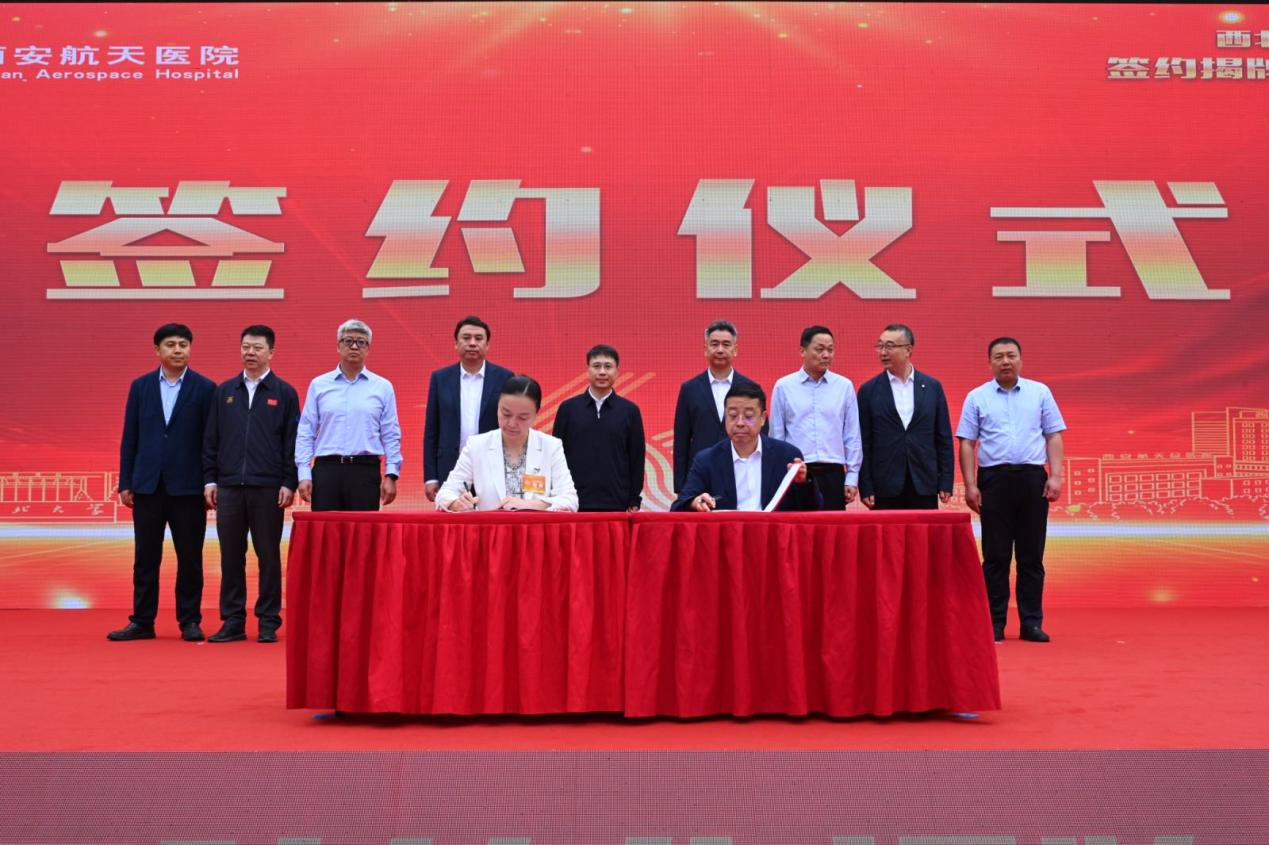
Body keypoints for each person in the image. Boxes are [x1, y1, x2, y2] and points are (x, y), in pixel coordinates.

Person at [107, 323, 216, 642]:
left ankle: (190, 620)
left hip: (189, 488)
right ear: (157, 350)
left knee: (190, 558)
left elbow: (211, 441)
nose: (177, 350)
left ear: (190, 349)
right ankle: (142, 621)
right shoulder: (140, 387)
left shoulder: (206, 388)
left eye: (183, 344)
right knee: (145, 558)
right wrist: (126, 480)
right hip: (147, 486)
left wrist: (210, 481)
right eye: (170, 344)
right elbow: (130, 437)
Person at [957, 337, 1066, 643]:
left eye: (1011, 356)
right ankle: (993, 622)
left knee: (1031, 556)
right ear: (989, 362)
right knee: (996, 556)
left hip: (1032, 479)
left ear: (1021, 359)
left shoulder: (1040, 392)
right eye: (999, 357)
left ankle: (1031, 623)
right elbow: (967, 442)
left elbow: (1053, 435)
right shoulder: (977, 397)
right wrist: (970, 485)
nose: (1005, 361)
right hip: (994, 480)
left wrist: (1056, 476)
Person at [202, 325, 300, 644]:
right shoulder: (224, 392)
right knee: (231, 555)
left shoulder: (284, 393)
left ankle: (268, 620)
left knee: (268, 556)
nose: (250, 353)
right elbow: (211, 439)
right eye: (246, 347)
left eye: (257, 348)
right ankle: (233, 620)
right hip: (229, 486)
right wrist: (211, 479)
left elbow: (292, 442)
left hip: (268, 488)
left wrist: (289, 482)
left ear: (271, 352)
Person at [295, 319, 402, 511]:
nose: (354, 346)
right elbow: (306, 431)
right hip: (327, 471)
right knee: (326, 529)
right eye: (348, 341)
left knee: (363, 529)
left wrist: (391, 474)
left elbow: (391, 434)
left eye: (361, 342)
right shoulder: (319, 385)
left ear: (368, 349)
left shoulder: (383, 387)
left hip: (365, 471)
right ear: (338, 346)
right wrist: (304, 473)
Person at [436, 375, 578, 512]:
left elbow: (570, 500)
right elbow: (445, 493)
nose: (512, 423)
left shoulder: (551, 446)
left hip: (534, 528)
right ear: (498, 407)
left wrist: (529, 505)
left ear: (536, 414)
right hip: (491, 527)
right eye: (506, 414)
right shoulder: (477, 445)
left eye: (522, 417)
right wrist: (456, 503)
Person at [672, 382, 819, 512]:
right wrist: (694, 503)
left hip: (773, 533)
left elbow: (813, 508)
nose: (740, 423)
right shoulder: (707, 460)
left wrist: (803, 483)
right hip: (729, 533)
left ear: (762, 418)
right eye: (733, 415)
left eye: (748, 416)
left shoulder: (787, 456)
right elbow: (678, 507)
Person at [857, 324, 954, 510]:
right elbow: (863, 442)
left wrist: (946, 480)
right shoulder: (868, 391)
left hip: (924, 481)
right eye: (880, 346)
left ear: (908, 350)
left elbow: (943, 438)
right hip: (884, 485)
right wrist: (865, 485)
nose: (883, 352)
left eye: (890, 346)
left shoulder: (932, 387)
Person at [768, 325, 863, 510]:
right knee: (797, 525)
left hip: (833, 472)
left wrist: (852, 477)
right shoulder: (784, 386)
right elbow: (776, 435)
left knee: (832, 527)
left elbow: (852, 435)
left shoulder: (844, 386)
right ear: (802, 351)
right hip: (797, 471)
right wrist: (779, 474)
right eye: (819, 349)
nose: (826, 355)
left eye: (830, 350)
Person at [423, 316, 513, 504]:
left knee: (491, 518)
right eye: (466, 338)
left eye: (478, 338)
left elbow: (511, 426)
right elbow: (432, 430)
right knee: (452, 518)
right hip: (451, 468)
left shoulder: (504, 378)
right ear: (456, 344)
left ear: (487, 345)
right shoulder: (440, 378)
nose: (472, 343)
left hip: (492, 467)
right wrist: (431, 477)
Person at [672, 320, 764, 493]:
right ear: (705, 349)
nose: (720, 350)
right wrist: (681, 488)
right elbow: (681, 442)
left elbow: (761, 433)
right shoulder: (689, 389)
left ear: (735, 350)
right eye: (714, 344)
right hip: (701, 473)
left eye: (726, 344)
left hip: (742, 471)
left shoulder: (751, 388)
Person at [552, 344, 646, 512]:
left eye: (608, 366)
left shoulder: (630, 411)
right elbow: (556, 456)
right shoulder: (568, 409)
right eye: (596, 366)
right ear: (588, 370)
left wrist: (634, 499)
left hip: (617, 504)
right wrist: (558, 496)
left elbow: (636, 458)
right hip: (574, 503)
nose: (602, 372)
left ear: (617, 372)